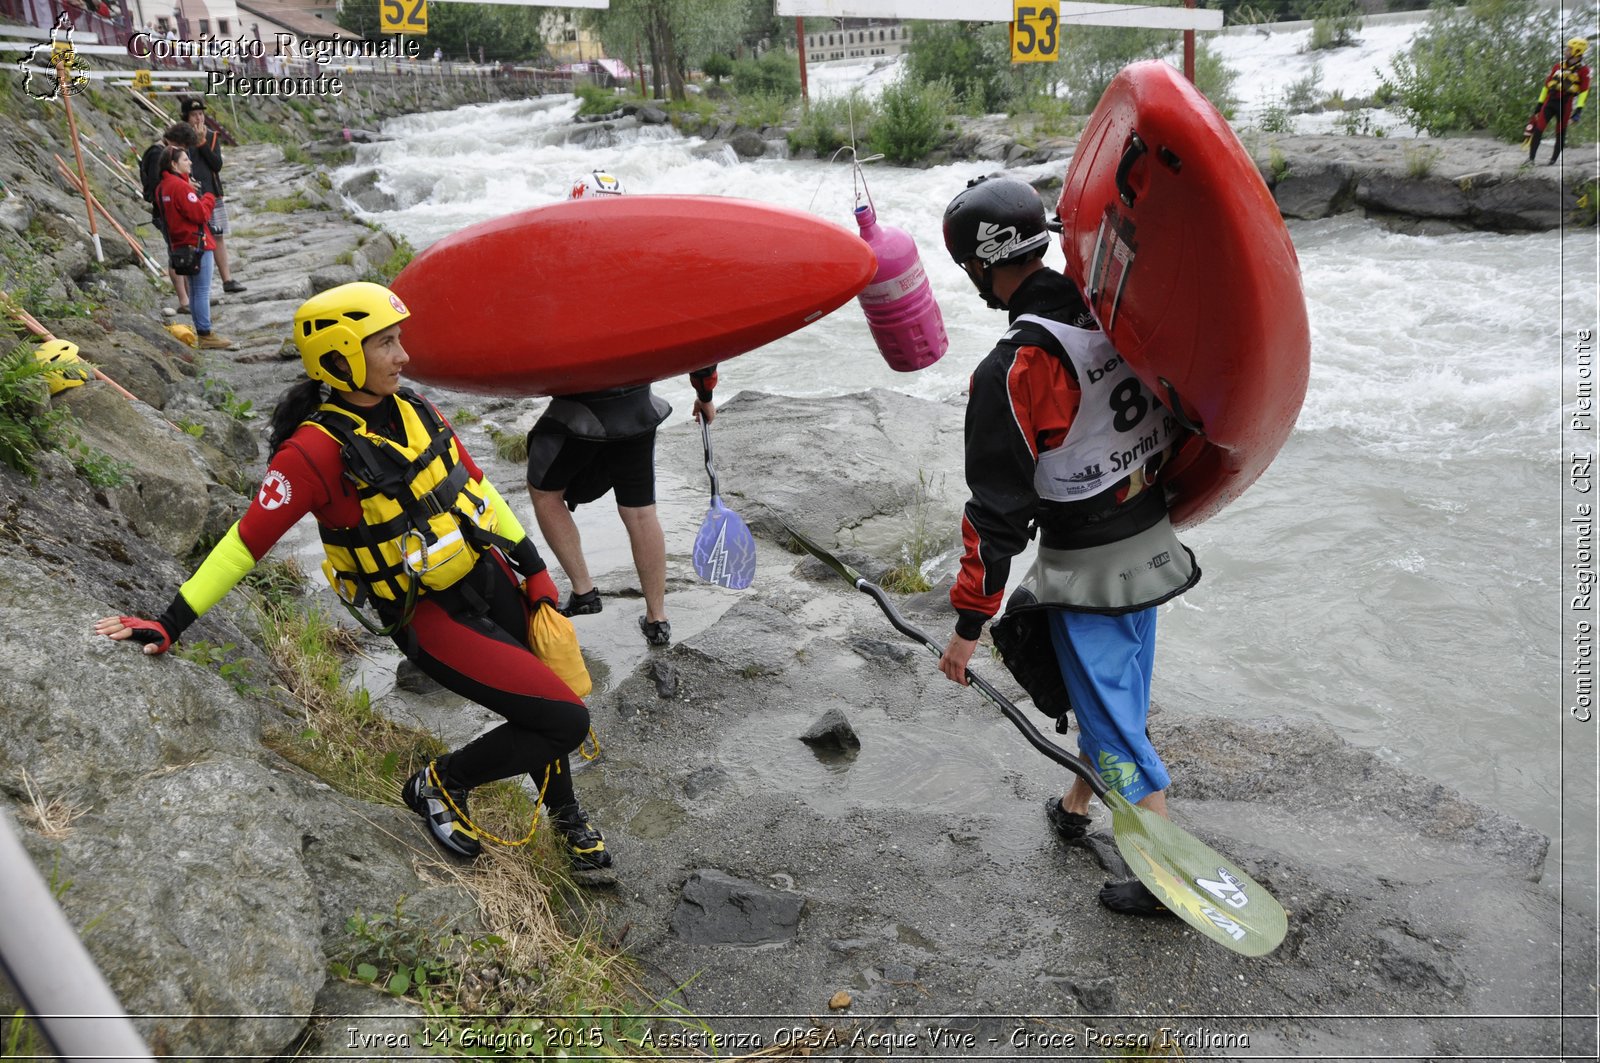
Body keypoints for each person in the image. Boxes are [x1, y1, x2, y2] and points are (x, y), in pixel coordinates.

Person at [94, 281, 613, 873]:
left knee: (545, 699)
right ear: (341, 357)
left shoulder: (418, 409)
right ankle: (440, 784)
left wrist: (535, 569)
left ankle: (566, 818)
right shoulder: (310, 454)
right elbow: (242, 547)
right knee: (564, 719)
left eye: (399, 340)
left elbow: (477, 492)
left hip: (489, 577)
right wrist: (168, 624)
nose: (403, 356)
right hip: (425, 613)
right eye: (386, 344)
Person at [933, 176, 1200, 917]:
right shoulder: (1116, 310)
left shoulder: (1015, 368)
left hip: (1088, 573)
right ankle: (1077, 800)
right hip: (1152, 539)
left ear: (982, 266)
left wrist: (965, 629)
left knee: (1114, 718)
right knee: (1117, 694)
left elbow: (996, 516)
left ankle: (1163, 875)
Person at [524, 172, 717, 647]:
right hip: (637, 405)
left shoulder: (559, 266)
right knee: (640, 511)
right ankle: (657, 618)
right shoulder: (646, 266)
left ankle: (585, 590)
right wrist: (705, 393)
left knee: (544, 490)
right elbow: (696, 331)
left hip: (581, 412)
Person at [155, 145, 233, 350]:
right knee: (201, 291)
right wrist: (207, 198)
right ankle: (205, 334)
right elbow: (200, 214)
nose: (190, 163)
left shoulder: (162, 186)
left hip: (180, 244)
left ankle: (203, 332)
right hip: (196, 243)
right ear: (174, 164)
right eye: (185, 160)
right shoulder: (180, 187)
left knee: (196, 291)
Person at [181, 97, 246, 294]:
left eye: (201, 114)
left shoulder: (212, 136)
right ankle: (196, 287)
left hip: (212, 192)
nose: (198, 118)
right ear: (186, 118)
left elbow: (216, 165)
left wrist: (202, 143)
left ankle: (227, 280)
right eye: (194, 115)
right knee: (193, 238)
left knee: (218, 236)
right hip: (190, 194)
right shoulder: (181, 138)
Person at [140, 121, 198, 315]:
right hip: (165, 212)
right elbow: (157, 187)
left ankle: (192, 297)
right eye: (183, 147)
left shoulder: (164, 151)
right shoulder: (157, 153)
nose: (184, 152)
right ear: (175, 141)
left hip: (176, 209)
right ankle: (184, 300)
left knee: (186, 252)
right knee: (177, 254)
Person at [1526, 37, 1591, 165]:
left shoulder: (1584, 71)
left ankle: (1552, 161)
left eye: (1569, 49)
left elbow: (1584, 91)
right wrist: (1539, 105)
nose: (1566, 51)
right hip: (1549, 102)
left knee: (1560, 133)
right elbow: (1546, 86)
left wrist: (1578, 110)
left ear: (1578, 51)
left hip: (1565, 105)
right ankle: (1531, 159)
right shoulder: (1557, 66)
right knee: (1538, 129)